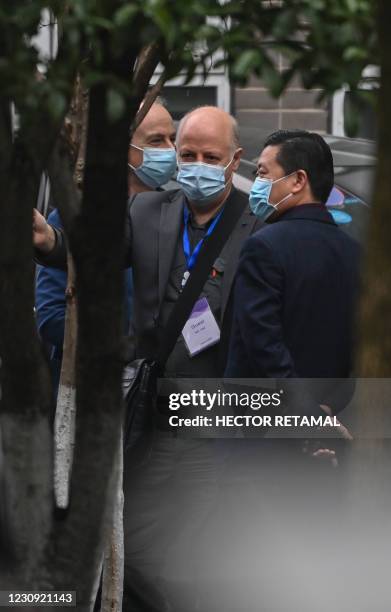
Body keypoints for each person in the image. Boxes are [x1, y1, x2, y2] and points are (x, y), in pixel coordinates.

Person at [33, 105, 264, 610]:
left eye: (211, 156)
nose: (197, 164)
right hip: (149, 417)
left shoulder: (257, 226)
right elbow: (96, 257)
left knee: (193, 552)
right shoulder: (148, 211)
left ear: (234, 160)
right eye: (187, 154)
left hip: (215, 419)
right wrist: (52, 242)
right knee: (133, 546)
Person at [35, 100, 177, 397]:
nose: (170, 150)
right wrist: (125, 352)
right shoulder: (77, 214)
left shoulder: (176, 212)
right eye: (156, 141)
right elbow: (51, 319)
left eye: (172, 139)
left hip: (163, 392)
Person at [225, 129, 360, 418]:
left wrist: (304, 415)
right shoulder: (354, 252)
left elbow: (262, 344)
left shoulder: (264, 247)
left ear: (298, 180)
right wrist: (324, 410)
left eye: (262, 173)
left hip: (263, 429)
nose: (258, 184)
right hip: (328, 419)